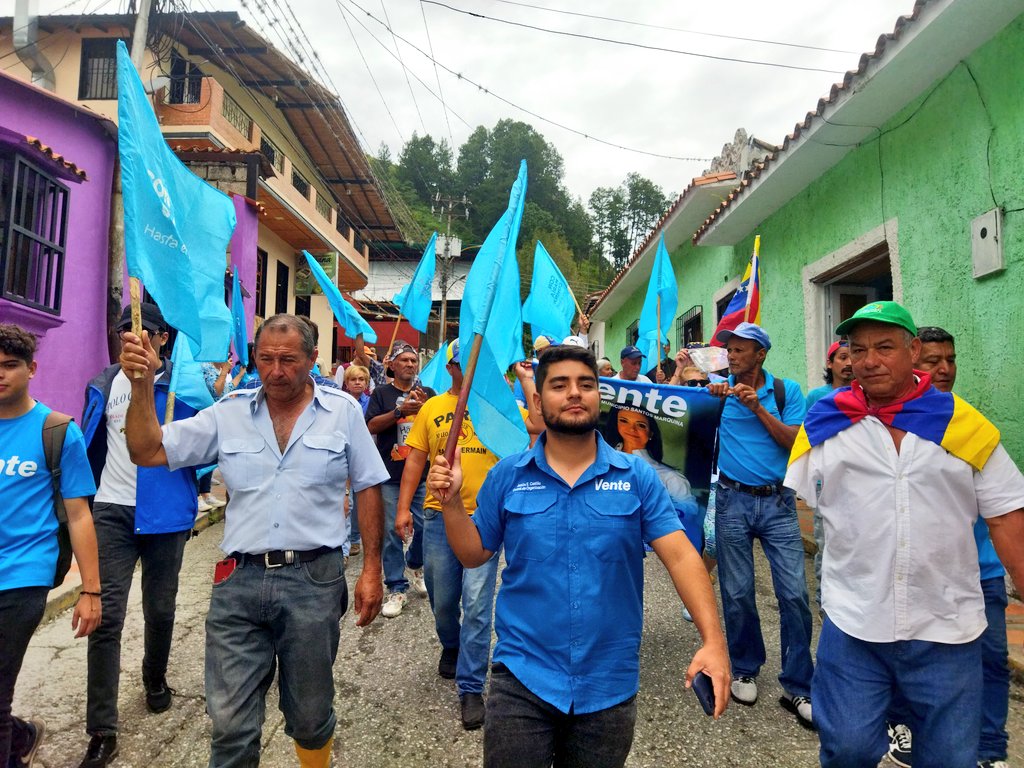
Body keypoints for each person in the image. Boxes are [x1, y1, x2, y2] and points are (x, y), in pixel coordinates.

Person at [426, 345, 731, 768]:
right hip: (522, 677)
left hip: (608, 683)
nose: (575, 393)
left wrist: (713, 642)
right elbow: (474, 554)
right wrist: (453, 503)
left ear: (598, 395)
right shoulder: (508, 476)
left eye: (586, 385)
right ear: (537, 400)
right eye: (560, 385)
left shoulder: (637, 476)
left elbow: (681, 556)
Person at [118, 313, 388, 768]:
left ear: (313, 359)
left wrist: (372, 569)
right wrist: (143, 385)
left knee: (309, 713)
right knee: (230, 724)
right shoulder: (229, 413)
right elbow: (146, 449)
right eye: (265, 359)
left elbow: (367, 484)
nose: (275, 371)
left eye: (288, 360)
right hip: (238, 583)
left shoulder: (342, 411)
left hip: (314, 581)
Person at [785, 302, 1024, 768]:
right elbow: (806, 500)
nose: (868, 360)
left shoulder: (964, 424)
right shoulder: (826, 424)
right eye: (857, 349)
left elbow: (1006, 518)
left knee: (950, 757)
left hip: (946, 626)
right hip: (854, 621)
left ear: (914, 351)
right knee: (846, 749)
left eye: (884, 347)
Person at [78, 303, 201, 768]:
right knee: (104, 618)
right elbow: (91, 440)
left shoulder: (184, 386)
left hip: (165, 515)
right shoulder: (103, 382)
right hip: (111, 511)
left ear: (163, 339)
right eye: (123, 329)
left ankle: (155, 678)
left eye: (142, 330)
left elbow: (203, 449)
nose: (130, 337)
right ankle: (102, 730)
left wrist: (193, 491)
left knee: (161, 608)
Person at [883, 326, 1012, 768]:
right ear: (910, 365)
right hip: (919, 574)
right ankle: (905, 729)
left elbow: (1003, 509)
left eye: (950, 360)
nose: (943, 369)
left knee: (991, 661)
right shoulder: (887, 430)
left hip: (983, 572)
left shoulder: (970, 425)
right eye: (931, 360)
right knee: (906, 655)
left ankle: (990, 747)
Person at [396, 341, 540, 730]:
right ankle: (452, 644)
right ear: (451, 367)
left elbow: (540, 426)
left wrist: (526, 380)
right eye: (464, 363)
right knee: (444, 599)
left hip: (487, 518)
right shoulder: (433, 408)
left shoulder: (500, 406)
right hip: (440, 515)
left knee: (477, 603)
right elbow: (415, 461)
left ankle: (471, 685)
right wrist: (401, 508)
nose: (472, 370)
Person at [0, 323, 102, 768]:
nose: (0, 374)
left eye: (10, 365)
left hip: (24, 574)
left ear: (31, 369)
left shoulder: (58, 431)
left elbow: (79, 515)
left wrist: (91, 591)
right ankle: (21, 737)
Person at [706, 321, 814, 728]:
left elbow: (794, 440)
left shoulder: (787, 392)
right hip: (732, 501)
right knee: (737, 593)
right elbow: (682, 417)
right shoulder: (719, 392)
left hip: (778, 503)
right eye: (728, 350)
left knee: (795, 595)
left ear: (760, 354)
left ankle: (799, 685)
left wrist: (757, 407)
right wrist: (707, 395)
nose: (731, 356)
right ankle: (746, 667)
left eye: (739, 350)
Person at [365, 343, 435, 618]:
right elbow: (370, 425)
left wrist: (426, 407)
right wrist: (400, 412)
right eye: (404, 360)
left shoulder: (428, 394)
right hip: (391, 475)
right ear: (392, 366)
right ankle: (396, 587)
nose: (409, 364)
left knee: (426, 527)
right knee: (394, 533)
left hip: (422, 474)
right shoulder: (381, 393)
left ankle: (414, 563)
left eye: (413, 360)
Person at [804, 341, 853, 409]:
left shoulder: (865, 395)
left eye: (853, 359)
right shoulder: (816, 396)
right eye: (843, 358)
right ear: (829, 363)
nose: (849, 363)